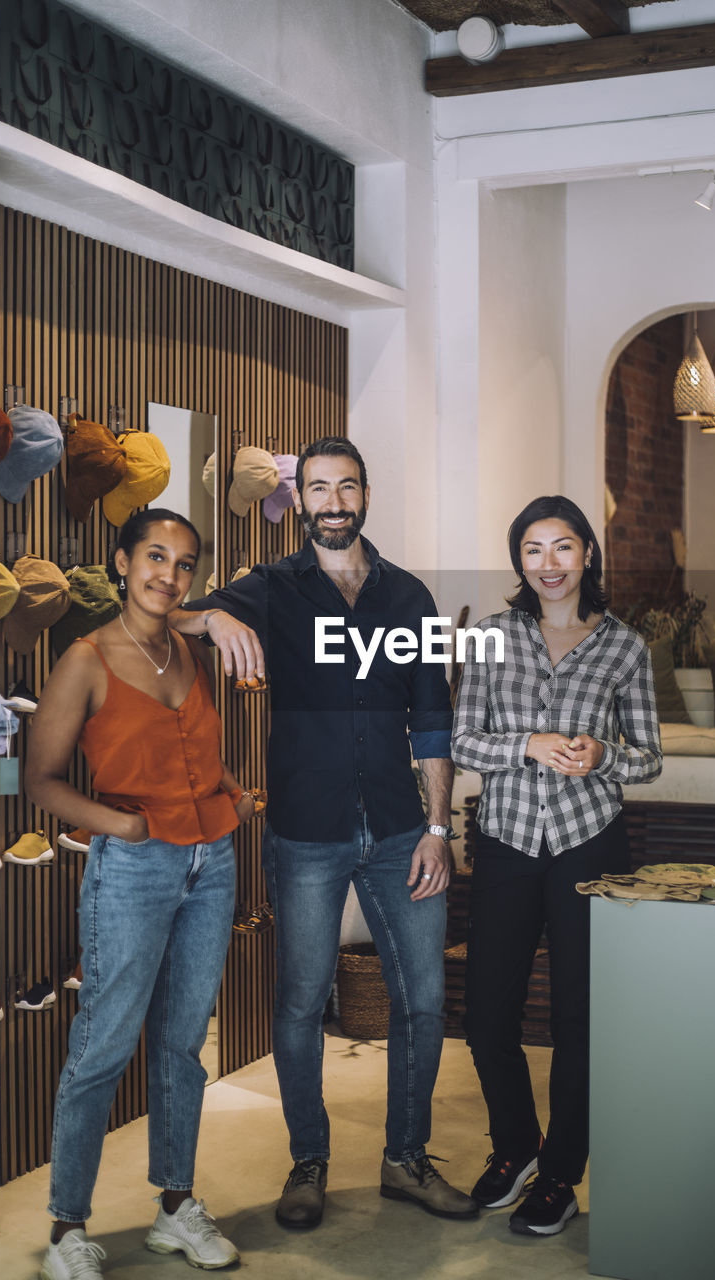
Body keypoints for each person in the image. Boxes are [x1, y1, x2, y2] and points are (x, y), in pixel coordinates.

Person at [172, 436, 477, 1228]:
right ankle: (307, 1161)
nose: (333, 502)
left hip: (402, 832)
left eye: (346, 487)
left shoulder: (409, 598)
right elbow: (166, 611)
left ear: (365, 495)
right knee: (302, 1000)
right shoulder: (270, 588)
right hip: (306, 831)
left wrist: (439, 828)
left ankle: (405, 1161)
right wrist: (214, 621)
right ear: (300, 500)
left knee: (424, 1000)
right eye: (318, 489)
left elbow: (433, 724)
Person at [26, 509, 256, 1280]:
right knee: (103, 1047)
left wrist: (231, 794)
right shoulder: (85, 660)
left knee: (183, 1046)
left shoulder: (189, 651)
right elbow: (41, 780)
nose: (169, 574)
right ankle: (66, 1229)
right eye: (155, 556)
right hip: (134, 870)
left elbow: (191, 750)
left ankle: (174, 1207)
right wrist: (117, 827)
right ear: (122, 561)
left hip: (210, 864)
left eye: (184, 563)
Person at [451, 494, 662, 1238]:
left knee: (578, 1018)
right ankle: (515, 1147)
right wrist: (527, 746)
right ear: (519, 561)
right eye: (533, 549)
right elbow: (461, 740)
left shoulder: (624, 648)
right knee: (485, 1015)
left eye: (562, 547)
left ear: (585, 556)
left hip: (589, 841)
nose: (548, 563)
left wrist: (604, 754)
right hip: (507, 841)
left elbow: (649, 759)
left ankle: (562, 1173)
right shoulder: (488, 639)